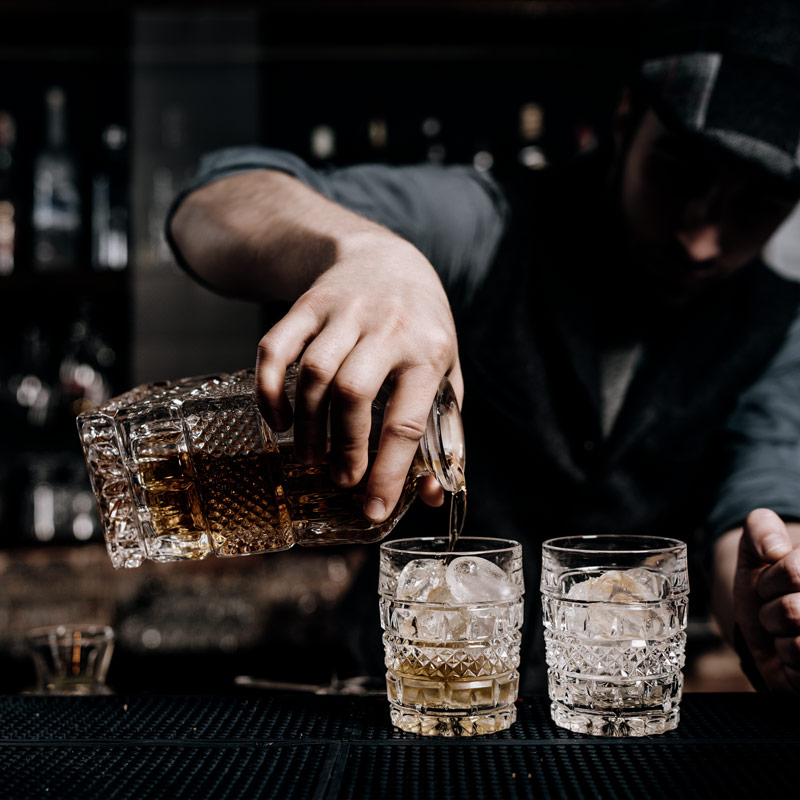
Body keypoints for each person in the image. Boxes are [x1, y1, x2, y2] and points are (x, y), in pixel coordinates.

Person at [166, 0, 800, 693]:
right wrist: (368, 251)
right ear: (625, 121)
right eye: (680, 172)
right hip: (392, 696)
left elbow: (753, 507)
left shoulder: (779, 324)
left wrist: (769, 596)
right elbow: (212, 202)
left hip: (590, 713)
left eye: (756, 203)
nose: (700, 238)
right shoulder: (481, 225)